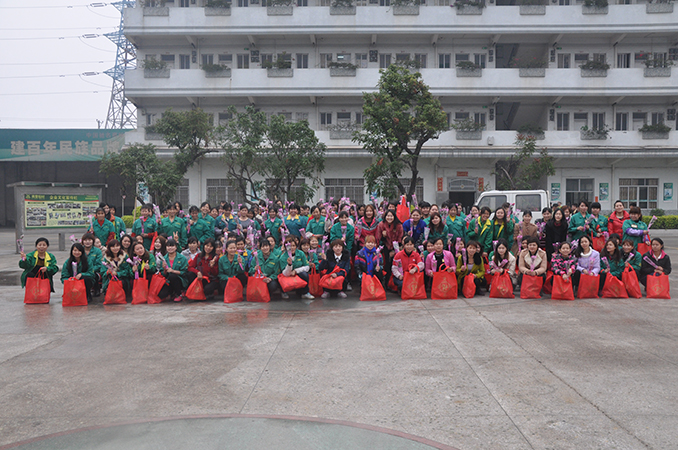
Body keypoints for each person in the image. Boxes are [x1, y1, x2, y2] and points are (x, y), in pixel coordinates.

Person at [376, 209, 403, 288]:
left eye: (391, 216)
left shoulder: (398, 225)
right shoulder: (381, 225)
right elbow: (379, 238)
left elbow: (400, 239)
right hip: (384, 247)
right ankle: (386, 283)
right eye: (388, 216)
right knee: (387, 265)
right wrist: (383, 236)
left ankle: (394, 284)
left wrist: (394, 251)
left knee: (395, 265)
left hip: (396, 248)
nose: (389, 218)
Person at [81, 232, 104, 297]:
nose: (87, 242)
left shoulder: (97, 251)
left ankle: (96, 290)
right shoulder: (80, 250)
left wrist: (90, 270)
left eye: (89, 240)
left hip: (94, 271)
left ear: (93, 241)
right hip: (82, 271)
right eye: (85, 240)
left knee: (93, 275)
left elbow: (99, 264)